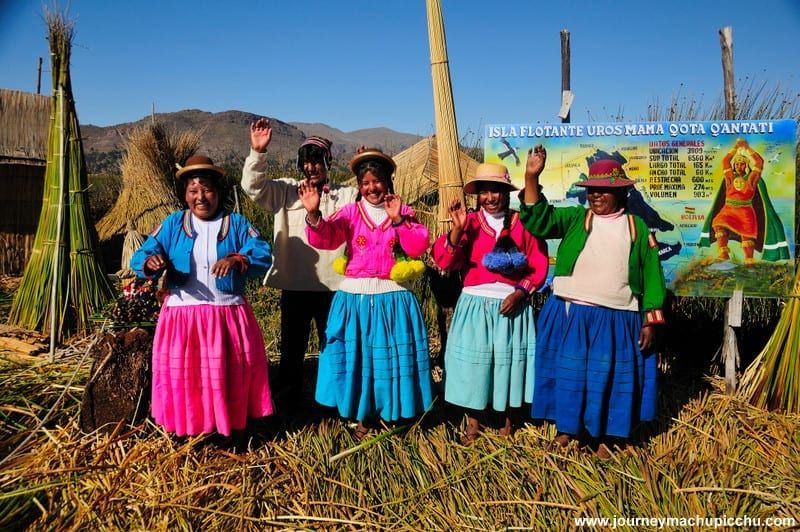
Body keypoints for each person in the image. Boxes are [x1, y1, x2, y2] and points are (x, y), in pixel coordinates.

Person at [520, 145, 666, 458]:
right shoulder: (577, 218)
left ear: (622, 193)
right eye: (591, 189)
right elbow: (539, 221)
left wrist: (650, 321)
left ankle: (606, 437)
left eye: (604, 190)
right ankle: (566, 430)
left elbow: (653, 275)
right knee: (570, 375)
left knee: (608, 377)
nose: (596, 195)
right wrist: (532, 177)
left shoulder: (637, 228)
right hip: (570, 314)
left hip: (616, 318)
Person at [131, 154, 274, 448]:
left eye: (207, 190)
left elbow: (262, 253)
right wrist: (151, 261)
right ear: (185, 194)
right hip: (182, 317)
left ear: (218, 192)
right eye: (193, 190)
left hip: (227, 315)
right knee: (186, 375)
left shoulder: (235, 223)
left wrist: (237, 259)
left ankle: (231, 428)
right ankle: (188, 428)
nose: (200, 197)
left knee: (228, 374)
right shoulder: (174, 223)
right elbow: (141, 254)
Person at [297, 148, 434, 441]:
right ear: (359, 185)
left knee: (388, 359)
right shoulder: (350, 213)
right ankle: (362, 415)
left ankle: (392, 411)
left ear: (388, 181)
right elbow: (326, 237)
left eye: (377, 181)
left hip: (393, 298)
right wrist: (313, 213)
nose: (372, 188)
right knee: (360, 358)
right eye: (365, 183)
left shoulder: (403, 212)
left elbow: (418, 245)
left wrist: (398, 220)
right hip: (356, 299)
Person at [241, 118, 359, 409]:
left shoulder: (343, 195)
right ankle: (289, 401)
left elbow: (369, 200)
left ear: (328, 163)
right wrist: (258, 152)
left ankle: (334, 400)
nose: (310, 167)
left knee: (334, 344)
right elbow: (252, 187)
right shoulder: (286, 191)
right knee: (292, 347)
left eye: (316, 161)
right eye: (305, 162)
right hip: (295, 285)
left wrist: (362, 165)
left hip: (334, 287)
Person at [431, 162, 548, 444]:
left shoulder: (523, 224)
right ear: (478, 195)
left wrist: (520, 294)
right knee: (475, 366)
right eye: (484, 192)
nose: (490, 197)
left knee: (507, 364)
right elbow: (444, 261)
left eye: (496, 191)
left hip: (512, 306)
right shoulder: (470, 223)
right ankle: (475, 421)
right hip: (475, 306)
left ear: (506, 193)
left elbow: (538, 265)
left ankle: (506, 421)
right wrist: (457, 230)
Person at [698, 138, 789, 265]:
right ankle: (724, 254)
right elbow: (725, 161)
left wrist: (747, 148)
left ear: (746, 166)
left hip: (745, 211)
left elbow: (759, 162)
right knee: (718, 223)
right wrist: (735, 148)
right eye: (736, 164)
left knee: (746, 235)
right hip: (728, 210)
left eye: (741, 164)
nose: (738, 166)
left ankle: (749, 259)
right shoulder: (730, 178)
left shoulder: (751, 179)